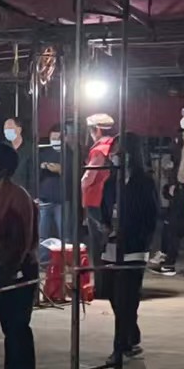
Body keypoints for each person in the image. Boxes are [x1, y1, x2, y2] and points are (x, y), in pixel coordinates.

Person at [0, 142, 39, 369]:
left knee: (19, 325)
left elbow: (23, 238)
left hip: (20, 269)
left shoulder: (19, 197)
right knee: (8, 326)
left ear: (4, 168)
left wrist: (12, 267)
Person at [98, 133, 158, 366]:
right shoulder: (111, 181)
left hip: (133, 247)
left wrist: (139, 237)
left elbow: (151, 216)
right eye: (113, 151)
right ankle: (131, 335)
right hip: (112, 246)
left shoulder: (144, 182)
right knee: (113, 295)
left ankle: (120, 345)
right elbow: (103, 207)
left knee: (126, 297)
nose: (114, 155)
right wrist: (105, 224)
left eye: (119, 151)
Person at [154, 107, 184, 274]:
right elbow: (178, 161)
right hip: (181, 185)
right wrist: (172, 181)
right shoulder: (183, 136)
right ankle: (170, 261)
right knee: (174, 224)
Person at [79, 113, 117, 277]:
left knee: (97, 240)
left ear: (97, 130)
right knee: (107, 236)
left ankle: (99, 276)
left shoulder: (99, 150)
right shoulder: (114, 146)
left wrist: (81, 186)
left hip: (95, 199)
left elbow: (89, 177)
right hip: (109, 199)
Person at [36, 125, 68, 265]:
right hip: (45, 199)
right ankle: (43, 261)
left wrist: (61, 170)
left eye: (58, 138)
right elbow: (36, 174)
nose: (55, 140)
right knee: (43, 235)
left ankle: (65, 261)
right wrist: (43, 167)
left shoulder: (69, 153)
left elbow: (74, 174)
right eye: (53, 138)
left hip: (62, 200)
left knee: (64, 234)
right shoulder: (44, 152)